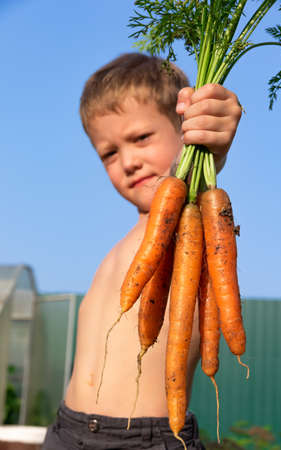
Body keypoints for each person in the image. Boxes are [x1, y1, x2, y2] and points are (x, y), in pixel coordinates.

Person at [42, 52, 242, 449]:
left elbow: (195, 186)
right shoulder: (123, 244)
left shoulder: (192, 226)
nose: (129, 161)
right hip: (66, 431)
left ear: (184, 127)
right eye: (109, 153)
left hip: (145, 440)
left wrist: (210, 147)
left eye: (140, 138)